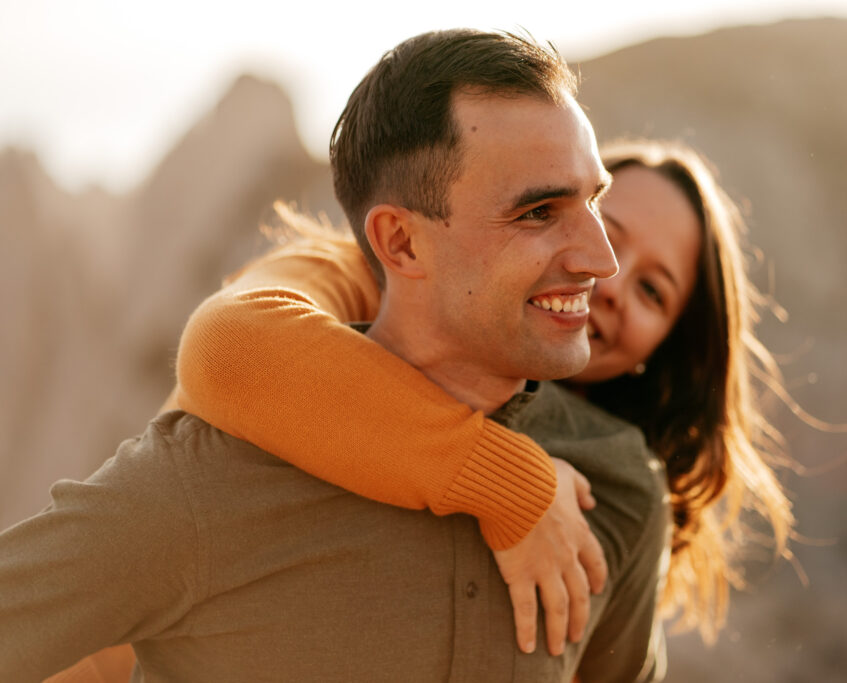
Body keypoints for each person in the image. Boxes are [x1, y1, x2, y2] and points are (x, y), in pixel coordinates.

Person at [0, 28, 672, 683]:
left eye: (593, 201)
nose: (601, 262)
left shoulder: (617, 485)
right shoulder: (204, 484)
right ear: (401, 244)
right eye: (537, 212)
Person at [49, 136, 797, 682]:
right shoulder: (363, 276)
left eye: (653, 291)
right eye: (604, 235)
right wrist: (513, 483)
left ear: (660, 350)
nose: (607, 279)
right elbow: (228, 347)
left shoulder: (618, 488)